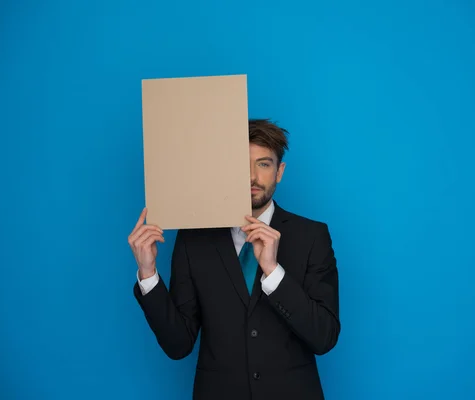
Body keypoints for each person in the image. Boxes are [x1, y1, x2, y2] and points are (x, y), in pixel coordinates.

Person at [128, 119, 340, 400]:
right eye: (242, 165)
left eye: (263, 164)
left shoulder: (312, 236)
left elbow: (324, 337)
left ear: (280, 172)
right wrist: (148, 273)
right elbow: (178, 345)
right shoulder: (194, 240)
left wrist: (273, 272)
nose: (252, 176)